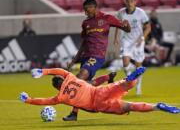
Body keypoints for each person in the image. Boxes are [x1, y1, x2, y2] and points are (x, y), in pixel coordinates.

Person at [20, 67, 180, 119]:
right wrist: (44, 71)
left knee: (128, 107)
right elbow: (60, 70)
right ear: (61, 79)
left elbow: (44, 101)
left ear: (56, 87)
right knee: (124, 85)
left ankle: (156, 107)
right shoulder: (70, 76)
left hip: (98, 104)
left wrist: (28, 100)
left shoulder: (60, 97)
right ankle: (131, 79)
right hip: (100, 91)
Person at [65, 0, 131, 121]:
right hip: (86, 57)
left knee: (80, 77)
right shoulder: (86, 23)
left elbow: (125, 28)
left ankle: (73, 114)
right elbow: (84, 44)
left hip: (97, 56)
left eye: (87, 10)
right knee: (84, 85)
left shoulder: (107, 18)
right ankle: (107, 78)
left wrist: (127, 26)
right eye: (84, 10)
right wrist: (74, 60)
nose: (86, 13)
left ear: (94, 7)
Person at [114, 0, 151, 95]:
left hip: (138, 41)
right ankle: (130, 82)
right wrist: (116, 37)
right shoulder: (121, 12)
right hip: (126, 40)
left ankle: (138, 86)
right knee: (125, 61)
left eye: (131, 1)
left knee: (138, 65)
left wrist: (142, 38)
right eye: (128, 1)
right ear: (125, 2)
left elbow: (148, 27)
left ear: (135, 1)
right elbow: (117, 24)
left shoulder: (141, 13)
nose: (129, 3)